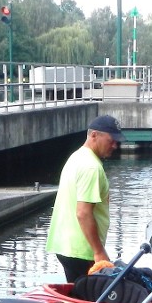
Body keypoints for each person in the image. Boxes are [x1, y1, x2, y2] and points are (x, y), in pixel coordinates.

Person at [46, 115, 126, 283]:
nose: (115, 145)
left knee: (77, 296)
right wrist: (98, 252)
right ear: (94, 135)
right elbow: (83, 213)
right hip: (82, 250)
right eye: (111, 140)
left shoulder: (77, 157)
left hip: (65, 245)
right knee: (94, 302)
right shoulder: (91, 167)